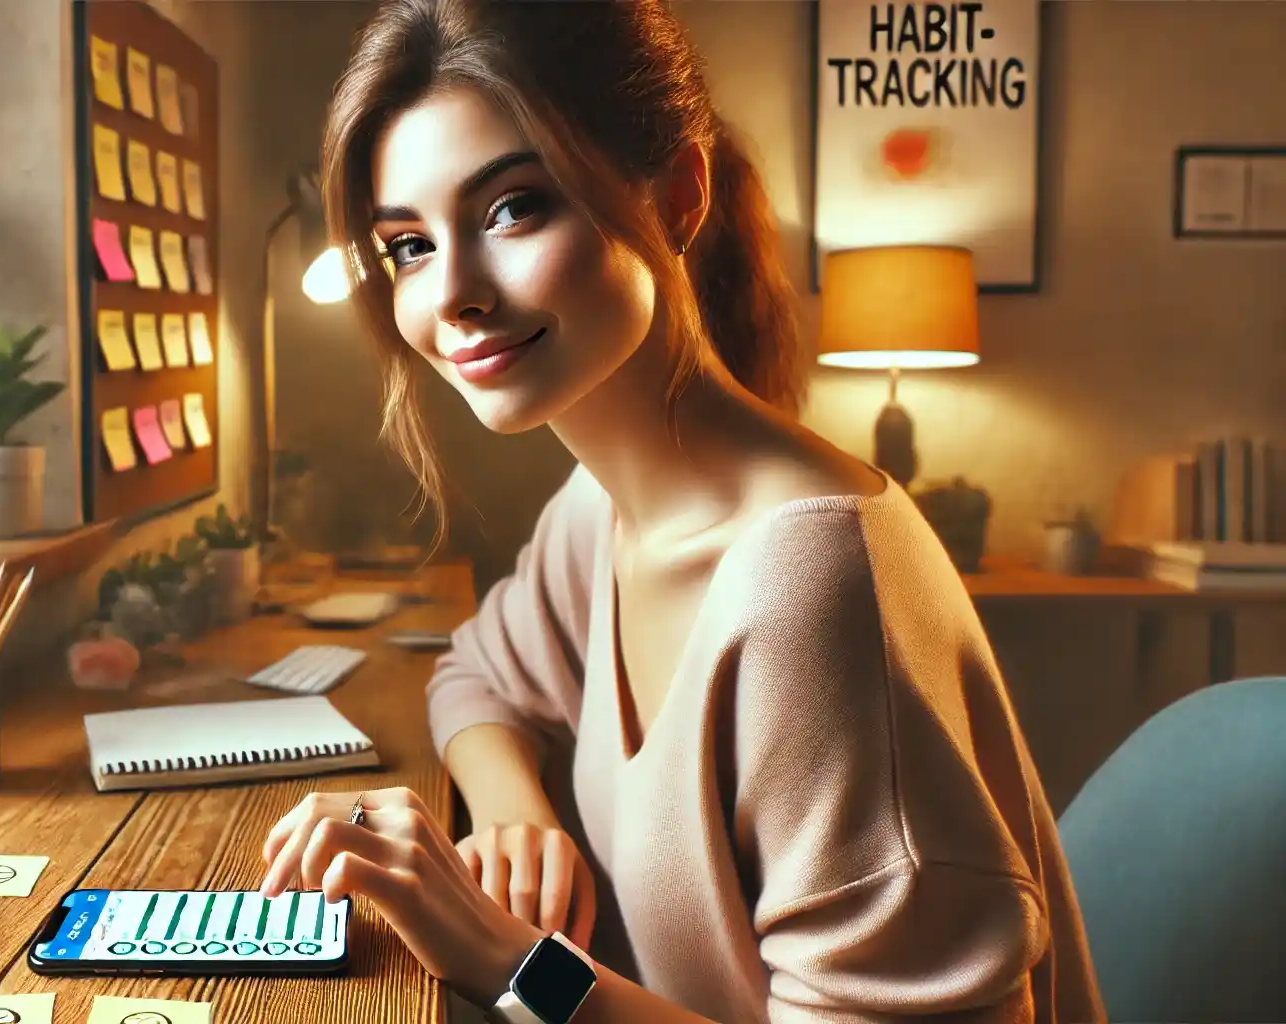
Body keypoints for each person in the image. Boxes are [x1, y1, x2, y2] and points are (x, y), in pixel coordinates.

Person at [258, 0, 1104, 1021]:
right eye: (407, 246)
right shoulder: (603, 507)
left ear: (677, 196)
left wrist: (502, 954)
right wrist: (516, 810)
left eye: (512, 208)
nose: (454, 297)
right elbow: (475, 672)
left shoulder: (816, 585)